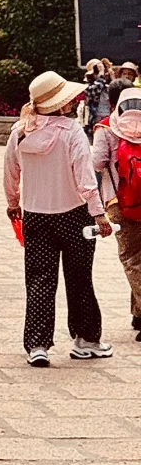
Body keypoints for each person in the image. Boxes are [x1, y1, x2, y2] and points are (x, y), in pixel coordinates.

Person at [3, 70, 113, 366]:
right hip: (75, 215)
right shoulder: (71, 131)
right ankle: (85, 339)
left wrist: (13, 203)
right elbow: (85, 175)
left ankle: (37, 344)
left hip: (36, 215)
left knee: (39, 279)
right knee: (79, 278)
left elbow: (11, 172)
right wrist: (98, 214)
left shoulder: (20, 131)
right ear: (60, 102)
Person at [93, 77, 141, 341]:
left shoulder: (106, 129)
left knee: (132, 258)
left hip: (119, 203)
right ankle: (138, 316)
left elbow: (97, 164)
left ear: (111, 102)